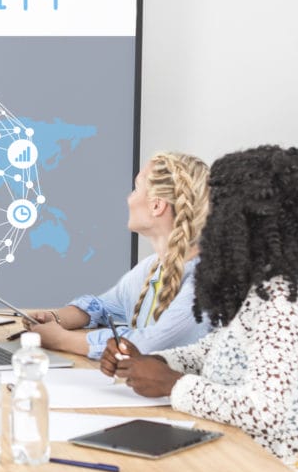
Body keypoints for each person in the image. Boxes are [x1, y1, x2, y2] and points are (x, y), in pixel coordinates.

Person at [105, 146, 298, 472]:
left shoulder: (282, 298)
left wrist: (171, 383)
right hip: (240, 459)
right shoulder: (264, 282)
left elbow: (264, 412)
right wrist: (155, 361)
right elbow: (219, 348)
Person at [27, 152, 211, 359]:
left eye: (136, 189)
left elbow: (147, 345)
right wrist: (55, 318)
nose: (129, 198)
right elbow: (104, 307)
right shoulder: (152, 267)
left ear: (157, 205)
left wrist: (60, 339)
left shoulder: (205, 282)